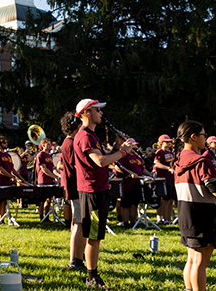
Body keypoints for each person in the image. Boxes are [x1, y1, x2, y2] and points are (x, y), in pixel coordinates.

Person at [73, 99, 135, 289]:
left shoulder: (92, 135)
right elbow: (100, 161)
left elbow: (106, 157)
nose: (101, 113)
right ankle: (92, 277)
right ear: (87, 113)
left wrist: (118, 147)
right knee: (94, 236)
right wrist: (123, 152)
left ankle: (92, 274)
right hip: (92, 191)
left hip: (98, 189)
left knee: (96, 235)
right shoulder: (84, 136)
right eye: (97, 110)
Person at [174, 121, 216, 291]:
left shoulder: (179, 160)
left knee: (191, 258)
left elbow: (200, 181)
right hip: (203, 213)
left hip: (186, 213)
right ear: (193, 137)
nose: (205, 138)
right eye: (204, 135)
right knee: (201, 262)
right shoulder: (201, 161)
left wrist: (215, 174)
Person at [59, 111, 86, 271]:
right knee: (78, 224)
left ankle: (78, 258)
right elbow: (77, 166)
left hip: (76, 187)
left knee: (79, 223)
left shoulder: (70, 142)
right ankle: (74, 261)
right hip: (76, 188)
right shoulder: (69, 143)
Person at [0, 135, 26, 224]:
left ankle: (2, 220)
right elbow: (0, 169)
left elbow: (12, 169)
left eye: (6, 142)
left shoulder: (7, 155)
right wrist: (12, 178)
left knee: (4, 202)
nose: (6, 143)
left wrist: (21, 178)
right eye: (4, 142)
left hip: (6, 182)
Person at [114, 145, 151, 227]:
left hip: (136, 184)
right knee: (125, 205)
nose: (135, 148)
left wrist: (149, 174)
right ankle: (126, 223)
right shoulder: (122, 155)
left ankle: (133, 223)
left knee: (134, 204)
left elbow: (142, 168)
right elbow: (118, 167)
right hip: (126, 185)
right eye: (132, 146)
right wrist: (129, 173)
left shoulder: (136, 156)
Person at [153, 134, 176, 224]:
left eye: (169, 141)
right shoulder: (160, 152)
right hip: (163, 179)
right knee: (163, 200)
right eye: (167, 142)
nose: (169, 143)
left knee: (170, 200)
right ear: (161, 143)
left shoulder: (170, 152)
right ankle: (162, 218)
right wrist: (167, 168)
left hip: (171, 178)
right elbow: (156, 163)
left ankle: (168, 218)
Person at [35, 138, 59, 221]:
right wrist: (54, 177)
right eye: (48, 144)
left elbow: (53, 168)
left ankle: (47, 216)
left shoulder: (49, 155)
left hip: (50, 180)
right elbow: (44, 169)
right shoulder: (40, 155)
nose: (50, 145)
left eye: (50, 144)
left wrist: (59, 176)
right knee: (42, 200)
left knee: (49, 199)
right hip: (43, 181)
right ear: (43, 145)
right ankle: (41, 217)